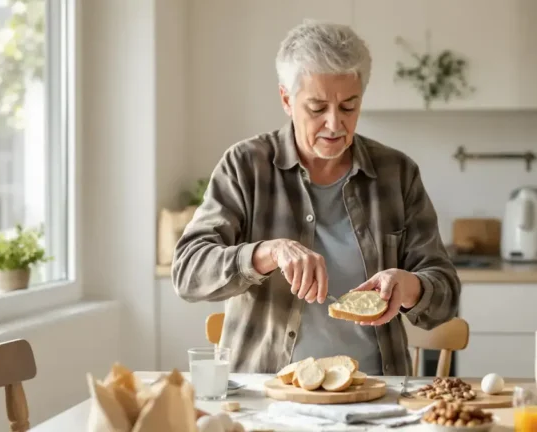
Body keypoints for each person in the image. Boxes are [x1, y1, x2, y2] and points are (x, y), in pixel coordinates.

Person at [171, 20, 460, 376]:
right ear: (286, 99)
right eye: (317, 108)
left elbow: (445, 292)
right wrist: (268, 253)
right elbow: (188, 271)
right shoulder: (246, 166)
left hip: (374, 397)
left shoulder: (397, 173)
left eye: (349, 107)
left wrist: (411, 286)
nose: (335, 124)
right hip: (270, 395)